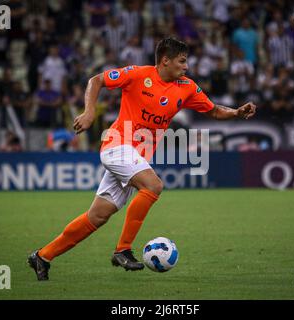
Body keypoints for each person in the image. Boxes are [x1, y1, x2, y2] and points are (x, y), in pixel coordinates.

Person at [28, 37, 257, 281]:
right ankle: (123, 249)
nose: (186, 67)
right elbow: (96, 81)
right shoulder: (137, 75)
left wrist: (235, 112)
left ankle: (42, 256)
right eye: (182, 61)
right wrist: (90, 111)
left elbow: (212, 110)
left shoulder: (187, 87)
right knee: (154, 185)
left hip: (134, 155)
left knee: (98, 216)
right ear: (165, 60)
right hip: (117, 144)